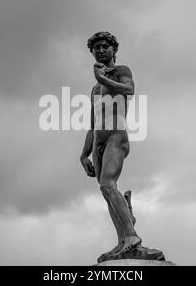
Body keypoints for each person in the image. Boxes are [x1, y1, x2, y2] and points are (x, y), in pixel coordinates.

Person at [80, 32, 142, 257]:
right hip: (99, 142)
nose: (100, 50)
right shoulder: (95, 90)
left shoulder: (120, 71)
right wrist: (83, 155)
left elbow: (129, 90)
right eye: (96, 48)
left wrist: (103, 79)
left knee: (107, 184)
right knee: (107, 192)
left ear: (113, 50)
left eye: (105, 46)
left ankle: (132, 234)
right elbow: (92, 124)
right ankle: (123, 240)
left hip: (117, 136)